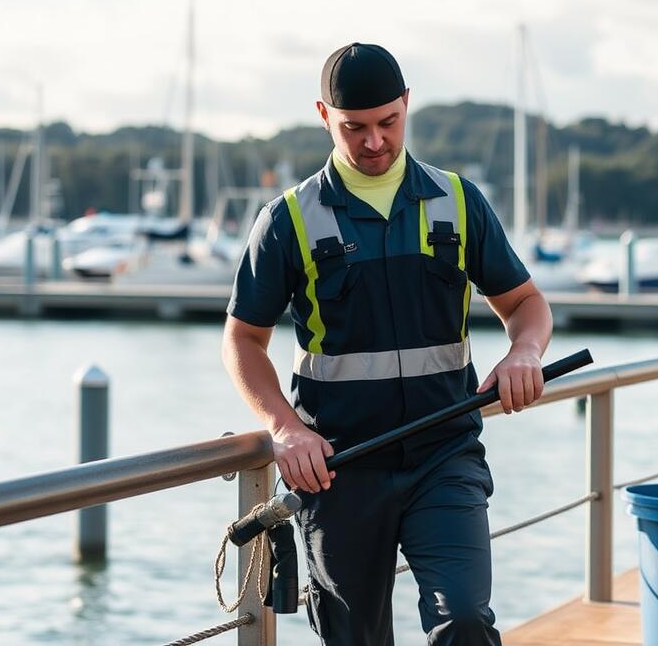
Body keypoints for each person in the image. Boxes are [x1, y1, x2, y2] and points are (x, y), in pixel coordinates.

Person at [221, 42, 553, 645]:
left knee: (468, 621)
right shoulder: (287, 219)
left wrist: (524, 352)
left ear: (406, 105)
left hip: (445, 457)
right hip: (337, 470)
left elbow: (527, 305)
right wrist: (284, 427)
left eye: (387, 123)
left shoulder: (458, 201)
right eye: (355, 127)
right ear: (324, 116)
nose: (374, 141)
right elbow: (243, 340)